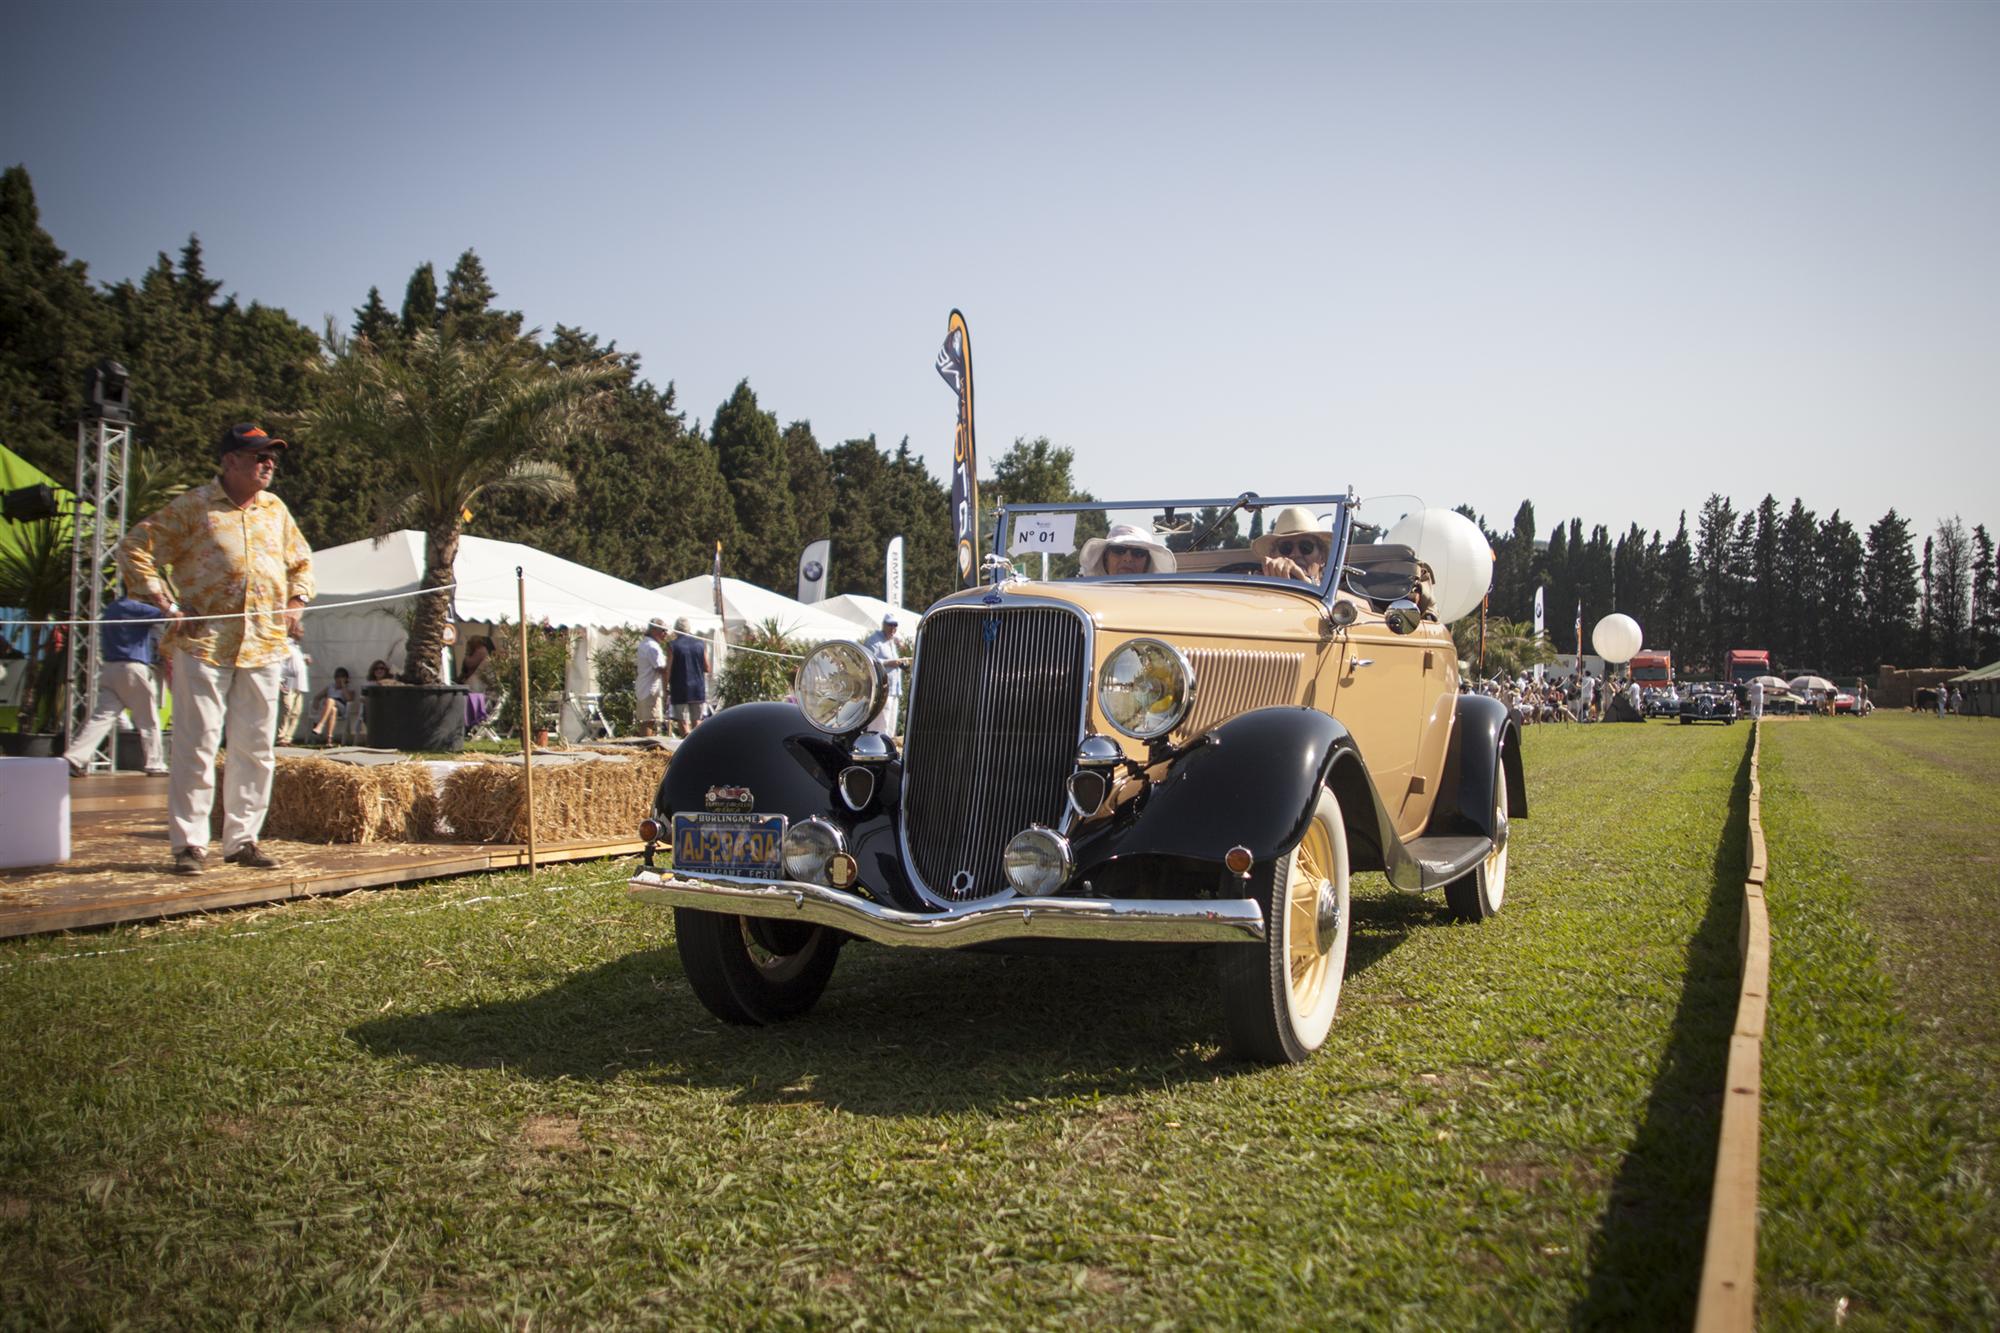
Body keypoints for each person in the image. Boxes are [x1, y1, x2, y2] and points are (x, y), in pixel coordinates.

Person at [119, 423, 314, 874]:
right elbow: (134, 547)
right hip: (204, 644)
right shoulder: (194, 506)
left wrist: (297, 601)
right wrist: (167, 604)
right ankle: (189, 844)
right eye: (258, 456)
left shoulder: (275, 509)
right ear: (229, 461)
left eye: (272, 456)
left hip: (264, 644)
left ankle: (243, 841)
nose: (268, 463)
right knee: (197, 744)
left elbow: (301, 560)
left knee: (256, 748)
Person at [65, 584, 168, 775]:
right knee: (148, 719)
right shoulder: (136, 608)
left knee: (101, 718)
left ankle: (75, 758)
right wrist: (166, 599)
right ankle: (155, 764)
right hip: (132, 667)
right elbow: (168, 613)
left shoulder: (112, 608)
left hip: (111, 668)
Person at [1250, 506, 1332, 582]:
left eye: (1306, 547)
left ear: (1322, 556)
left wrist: (1307, 583)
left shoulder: (1335, 592)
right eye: (1286, 548)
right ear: (1273, 555)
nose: (1295, 554)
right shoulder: (1261, 590)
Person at [862, 612, 909, 735]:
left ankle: (887, 744)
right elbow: (868, 661)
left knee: (890, 727)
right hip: (881, 690)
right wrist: (889, 663)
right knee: (879, 726)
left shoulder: (891, 641)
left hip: (894, 690)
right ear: (883, 625)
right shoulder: (874, 641)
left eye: (895, 625)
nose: (893, 628)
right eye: (890, 625)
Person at [667, 617, 712, 738]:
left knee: (683, 721)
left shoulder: (672, 645)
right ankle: (698, 743)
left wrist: (665, 686)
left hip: (679, 687)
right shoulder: (700, 644)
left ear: (676, 629)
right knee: (697, 721)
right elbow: (707, 667)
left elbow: (668, 669)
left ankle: (686, 743)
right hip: (697, 687)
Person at [1077, 524, 1176, 576]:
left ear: (1147, 563)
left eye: (1138, 553)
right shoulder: (1088, 598)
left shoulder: (1156, 603)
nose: (1127, 558)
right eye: (1118, 550)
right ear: (1106, 557)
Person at [275, 623, 310, 745]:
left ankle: (288, 737)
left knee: (296, 711)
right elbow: (281, 663)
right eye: (301, 631)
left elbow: (294, 663)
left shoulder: (296, 647)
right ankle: (281, 736)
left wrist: (304, 660)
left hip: (299, 682)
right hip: (288, 680)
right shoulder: (286, 644)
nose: (303, 634)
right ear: (294, 631)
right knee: (287, 708)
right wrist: (279, 680)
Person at [635, 618, 669, 737]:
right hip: (650, 689)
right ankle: (647, 744)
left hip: (644, 688)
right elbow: (661, 668)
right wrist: (672, 661)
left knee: (646, 721)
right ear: (654, 630)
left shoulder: (645, 643)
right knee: (650, 721)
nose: (666, 633)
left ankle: (644, 742)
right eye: (663, 630)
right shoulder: (652, 647)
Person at [309, 667, 356, 744]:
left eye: (342, 677)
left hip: (341, 707)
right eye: (337, 677)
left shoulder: (349, 688)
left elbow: (349, 699)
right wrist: (316, 704)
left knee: (330, 700)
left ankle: (320, 724)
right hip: (329, 708)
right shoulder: (330, 687)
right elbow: (317, 697)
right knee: (333, 710)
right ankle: (329, 738)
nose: (339, 679)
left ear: (346, 678)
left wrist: (343, 686)